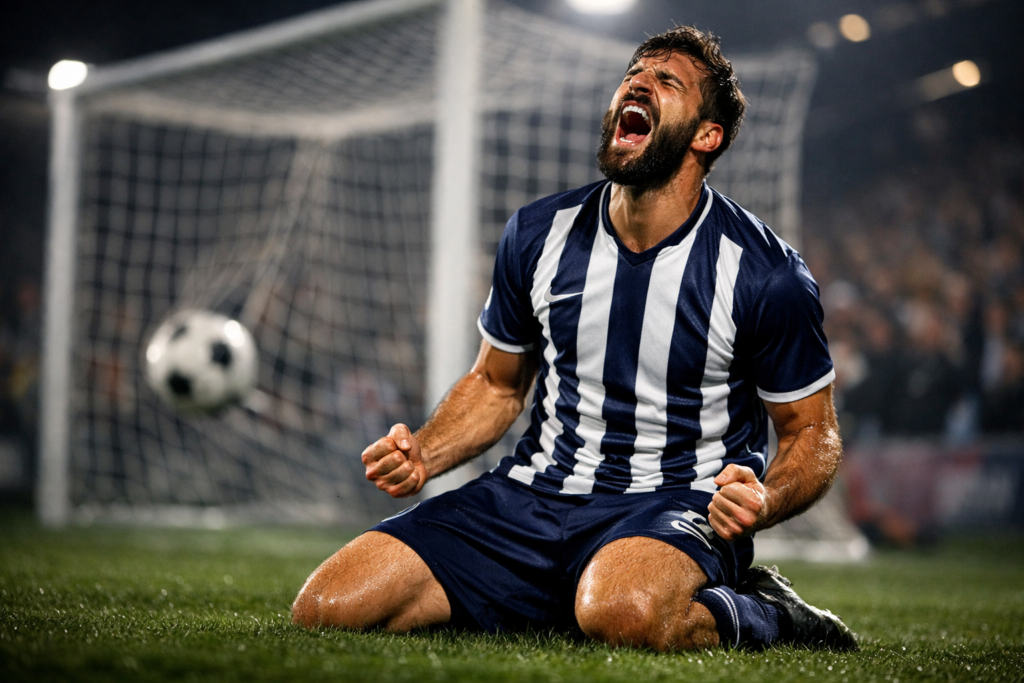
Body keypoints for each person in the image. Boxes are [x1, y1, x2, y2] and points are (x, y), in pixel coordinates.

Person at [292, 25, 857, 652]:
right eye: (635, 73)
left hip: (673, 505)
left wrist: (765, 500)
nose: (639, 81)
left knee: (624, 613)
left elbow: (813, 432)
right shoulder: (538, 233)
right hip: (531, 494)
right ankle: (566, 587)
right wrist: (426, 451)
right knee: (328, 607)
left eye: (667, 81)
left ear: (706, 136)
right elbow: (496, 383)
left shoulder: (763, 273)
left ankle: (770, 611)